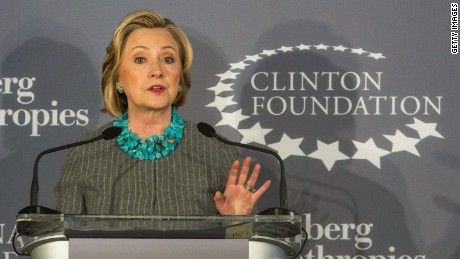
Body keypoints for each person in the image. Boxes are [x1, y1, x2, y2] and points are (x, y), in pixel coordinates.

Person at [54, 9, 271, 216]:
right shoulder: (86, 153)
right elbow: (62, 247)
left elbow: (246, 248)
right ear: (118, 78)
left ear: (180, 77)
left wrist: (236, 222)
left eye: (168, 59)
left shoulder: (216, 151)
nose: (157, 71)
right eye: (140, 59)